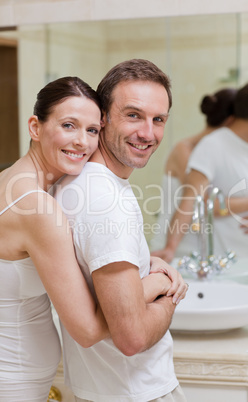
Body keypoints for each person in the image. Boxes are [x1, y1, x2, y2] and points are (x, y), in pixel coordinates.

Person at [0, 76, 185, 402]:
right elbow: (88, 330)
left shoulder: (19, 182)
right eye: (69, 125)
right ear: (35, 127)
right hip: (15, 379)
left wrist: (142, 261)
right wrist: (159, 284)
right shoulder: (39, 206)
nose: (82, 142)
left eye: (91, 130)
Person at [53, 59, 188, 402]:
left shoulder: (72, 182)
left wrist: (149, 270)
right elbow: (132, 337)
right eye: (133, 115)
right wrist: (168, 290)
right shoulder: (107, 200)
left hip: (100, 388)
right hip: (139, 392)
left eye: (158, 120)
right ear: (103, 118)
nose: (148, 133)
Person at [152, 78, 248, 263]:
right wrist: (170, 247)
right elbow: (199, 201)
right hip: (190, 252)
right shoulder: (202, 148)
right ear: (232, 119)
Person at [150, 88, 237, 258]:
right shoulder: (184, 150)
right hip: (173, 248)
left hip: (201, 248)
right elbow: (202, 201)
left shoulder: (219, 153)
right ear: (231, 121)